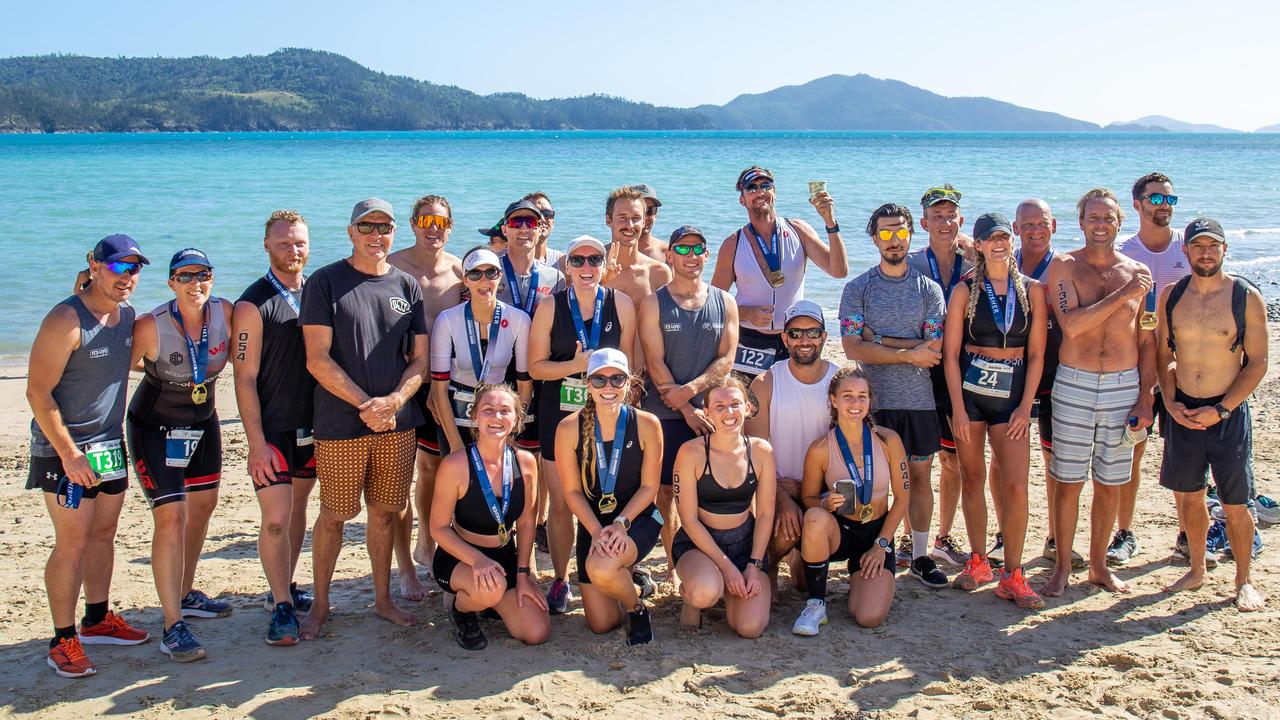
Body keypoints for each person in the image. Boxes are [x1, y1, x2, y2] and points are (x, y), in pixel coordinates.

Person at [298, 198, 428, 639]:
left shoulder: (407, 286)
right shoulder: (325, 282)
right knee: (335, 514)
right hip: (339, 425)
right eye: (367, 227)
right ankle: (320, 603)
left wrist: (392, 401)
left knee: (386, 512)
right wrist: (366, 405)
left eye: (385, 228)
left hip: (397, 424)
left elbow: (420, 362)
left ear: (395, 233)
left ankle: (382, 599)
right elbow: (316, 359)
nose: (377, 235)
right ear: (351, 232)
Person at [28, 235, 151, 678]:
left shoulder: (127, 317)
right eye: (119, 268)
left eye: (135, 269)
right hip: (64, 450)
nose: (128, 277)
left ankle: (98, 619)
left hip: (108, 445)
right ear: (95, 266)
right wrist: (68, 455)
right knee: (73, 543)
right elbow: (37, 393)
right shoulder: (65, 319)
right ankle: (62, 640)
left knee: (104, 534)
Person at [1041, 188, 1154, 597]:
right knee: (1067, 481)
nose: (1100, 224)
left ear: (1120, 221)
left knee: (1111, 482)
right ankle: (1063, 567)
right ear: (1082, 222)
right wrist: (1124, 294)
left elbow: (1147, 339)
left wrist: (1146, 395)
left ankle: (1100, 566)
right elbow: (1071, 325)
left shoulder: (1140, 272)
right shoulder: (1065, 266)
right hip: (1074, 382)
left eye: (1108, 217)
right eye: (1093, 217)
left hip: (1124, 387)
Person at [127, 247, 233, 662]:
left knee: (203, 507)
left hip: (204, 423)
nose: (195, 283)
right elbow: (121, 366)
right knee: (171, 516)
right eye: (185, 276)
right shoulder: (150, 325)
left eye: (203, 274)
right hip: (154, 426)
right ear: (171, 283)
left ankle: (185, 592)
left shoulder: (227, 313)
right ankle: (172, 625)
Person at [1157, 218, 1266, 611]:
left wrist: (1222, 409)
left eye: (1213, 246)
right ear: (1185, 251)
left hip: (1227, 412)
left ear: (1224, 249)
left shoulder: (1245, 296)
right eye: (1198, 246)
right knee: (1189, 497)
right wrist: (1170, 404)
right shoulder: (1171, 295)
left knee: (1236, 502)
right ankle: (1197, 568)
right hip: (1184, 410)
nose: (1205, 252)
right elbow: (1164, 357)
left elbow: (1257, 364)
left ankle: (1243, 580)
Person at [839, 203, 949, 589]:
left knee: (919, 478)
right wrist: (907, 352)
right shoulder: (857, 288)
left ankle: (919, 556)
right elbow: (852, 347)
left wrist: (880, 339)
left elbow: (933, 348)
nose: (893, 239)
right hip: (872, 403)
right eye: (885, 232)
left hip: (918, 402)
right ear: (873, 238)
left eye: (900, 231)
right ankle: (873, 551)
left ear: (910, 234)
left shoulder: (929, 290)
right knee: (871, 480)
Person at [942, 213, 1047, 609]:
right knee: (972, 477)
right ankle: (978, 560)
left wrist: (1025, 406)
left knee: (1016, 486)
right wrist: (957, 409)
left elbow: (1037, 355)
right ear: (979, 246)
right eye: (991, 238)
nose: (999, 243)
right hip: (970, 393)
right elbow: (950, 357)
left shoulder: (1032, 291)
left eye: (1005, 235)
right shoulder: (964, 290)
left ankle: (1014, 574)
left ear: (1012, 241)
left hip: (1013, 394)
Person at [529, 234, 634, 613]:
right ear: (566, 266)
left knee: (608, 495)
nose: (586, 268)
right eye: (578, 261)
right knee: (560, 503)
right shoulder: (549, 307)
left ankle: (615, 566)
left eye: (594, 260)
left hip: (609, 413)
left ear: (605, 266)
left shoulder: (621, 304)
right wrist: (576, 366)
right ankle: (560, 579)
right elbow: (534, 367)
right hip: (559, 414)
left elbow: (631, 366)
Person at [231, 210, 318, 647]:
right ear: (266, 245)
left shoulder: (317, 291)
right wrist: (256, 443)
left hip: (313, 426)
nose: (293, 250)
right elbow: (243, 378)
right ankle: (282, 606)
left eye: (299, 242)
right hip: (274, 430)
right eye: (284, 243)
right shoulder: (252, 304)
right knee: (276, 520)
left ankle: (282, 585)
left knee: (299, 510)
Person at [638, 225, 737, 581]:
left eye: (697, 249)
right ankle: (671, 562)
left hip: (711, 413)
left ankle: (710, 555)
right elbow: (654, 361)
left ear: (707, 256)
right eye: (682, 250)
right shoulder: (654, 302)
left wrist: (693, 392)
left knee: (708, 490)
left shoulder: (724, 301)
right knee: (666, 493)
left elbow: (727, 358)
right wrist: (684, 407)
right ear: (669, 255)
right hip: (664, 413)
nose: (690, 256)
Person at [428, 384, 550, 649]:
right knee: (489, 588)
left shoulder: (526, 462)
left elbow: (527, 522)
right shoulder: (455, 464)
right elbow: (438, 529)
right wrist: (478, 560)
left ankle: (489, 600)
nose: (496, 418)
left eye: (505, 411)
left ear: (517, 419)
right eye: (488, 410)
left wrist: (522, 574)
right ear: (474, 417)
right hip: (460, 558)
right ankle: (461, 608)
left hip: (504, 560)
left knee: (536, 631)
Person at [555, 349, 662, 644]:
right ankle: (633, 585)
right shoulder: (568, 428)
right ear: (587, 384)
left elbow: (649, 487)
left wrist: (620, 524)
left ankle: (636, 609)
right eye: (599, 380)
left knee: (602, 568)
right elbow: (573, 492)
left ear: (628, 382)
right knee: (601, 624)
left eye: (617, 379)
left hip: (635, 518)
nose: (608, 387)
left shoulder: (647, 423)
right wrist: (596, 531)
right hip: (594, 524)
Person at [792, 365, 908, 634]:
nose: (855, 403)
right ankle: (816, 603)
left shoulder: (888, 440)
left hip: (877, 534)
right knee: (815, 518)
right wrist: (823, 503)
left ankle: (860, 581)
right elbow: (807, 497)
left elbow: (903, 497)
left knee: (867, 616)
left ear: (869, 400)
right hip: (840, 532)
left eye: (862, 396)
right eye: (847, 396)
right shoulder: (820, 448)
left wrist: (881, 545)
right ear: (833, 400)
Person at [388, 194, 464, 596]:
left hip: (446, 384)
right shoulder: (394, 267)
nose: (433, 229)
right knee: (400, 481)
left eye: (441, 223)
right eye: (425, 221)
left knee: (435, 470)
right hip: (403, 384)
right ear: (413, 223)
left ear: (450, 227)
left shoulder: (459, 272)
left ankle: (431, 542)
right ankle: (406, 567)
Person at [1111, 172, 1188, 565]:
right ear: (1137, 204)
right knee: (1132, 454)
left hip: (1183, 369)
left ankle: (1188, 534)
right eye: (1156, 199)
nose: (1164, 206)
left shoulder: (1189, 249)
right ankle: (1124, 533)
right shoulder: (1124, 252)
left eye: (1170, 200)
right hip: (1138, 372)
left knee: (1185, 455)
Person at [711, 165, 848, 380]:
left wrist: (829, 221)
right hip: (748, 339)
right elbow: (714, 304)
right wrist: (745, 313)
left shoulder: (798, 230)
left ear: (774, 192)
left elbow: (839, 271)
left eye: (766, 185)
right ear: (743, 199)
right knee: (751, 407)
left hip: (792, 337)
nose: (760, 191)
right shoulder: (733, 244)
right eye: (751, 187)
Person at [671, 375, 776, 638]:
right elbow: (689, 520)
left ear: (748, 408)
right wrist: (727, 567)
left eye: (735, 404)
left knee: (750, 628)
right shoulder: (691, 452)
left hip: (745, 545)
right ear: (706, 413)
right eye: (719, 406)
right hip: (700, 545)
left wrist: (754, 565)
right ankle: (694, 596)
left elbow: (764, 514)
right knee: (705, 592)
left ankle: (731, 590)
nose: (728, 412)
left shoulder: (761, 451)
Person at [746, 301, 839, 595]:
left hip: (818, 492)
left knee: (803, 586)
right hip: (775, 489)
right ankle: (771, 562)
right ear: (784, 338)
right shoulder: (765, 383)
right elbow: (754, 452)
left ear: (824, 336)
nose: (804, 340)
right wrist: (782, 498)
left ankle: (800, 555)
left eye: (812, 332)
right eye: (796, 333)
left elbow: (847, 449)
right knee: (769, 597)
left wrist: (808, 492)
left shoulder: (839, 382)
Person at [1011, 200, 1082, 569]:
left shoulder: (1064, 266)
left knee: (1055, 461)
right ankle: (1006, 535)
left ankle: (1056, 538)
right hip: (1014, 377)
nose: (1035, 230)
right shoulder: (1004, 264)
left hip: (1056, 375)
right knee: (1009, 462)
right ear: (1015, 228)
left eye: (1041, 223)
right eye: (1027, 225)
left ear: (1053, 225)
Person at [906, 184, 972, 567]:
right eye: (937, 216)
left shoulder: (975, 261)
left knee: (954, 460)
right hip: (922, 372)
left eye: (951, 216)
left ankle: (944, 538)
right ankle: (907, 538)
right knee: (917, 461)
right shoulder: (912, 264)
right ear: (924, 222)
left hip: (961, 373)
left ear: (960, 220)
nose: (945, 223)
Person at [430, 248, 532, 456]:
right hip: (456, 414)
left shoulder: (519, 319)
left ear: (499, 276)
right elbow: (439, 390)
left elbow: (524, 385)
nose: (484, 280)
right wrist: (455, 445)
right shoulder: (447, 320)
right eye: (476, 274)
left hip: (497, 415)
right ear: (465, 280)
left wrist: (512, 431)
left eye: (491, 273)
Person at [601, 186, 673, 356]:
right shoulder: (590, 267)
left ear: (643, 221)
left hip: (647, 374)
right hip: (602, 375)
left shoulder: (659, 272)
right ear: (608, 220)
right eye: (622, 218)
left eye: (636, 218)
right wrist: (600, 281)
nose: (630, 225)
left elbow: (671, 329)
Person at [523, 191, 564, 268]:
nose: (542, 219)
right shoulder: (501, 263)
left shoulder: (563, 264)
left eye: (547, 214)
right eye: (535, 213)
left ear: (553, 223)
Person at [629, 184, 668, 260]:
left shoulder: (668, 253)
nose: (644, 218)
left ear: (655, 214)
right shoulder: (604, 255)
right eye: (638, 211)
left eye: (649, 211)